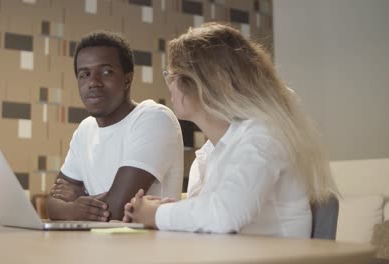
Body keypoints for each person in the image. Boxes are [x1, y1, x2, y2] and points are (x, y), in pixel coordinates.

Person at [123, 22, 339, 237]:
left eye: (172, 75)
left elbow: (224, 215)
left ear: (202, 82)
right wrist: (161, 212)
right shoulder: (213, 149)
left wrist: (158, 214)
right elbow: (215, 216)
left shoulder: (264, 135)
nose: (169, 85)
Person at [47, 31, 184, 221]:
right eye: (84, 74)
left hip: (146, 248)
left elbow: (117, 209)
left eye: (106, 72)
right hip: (94, 246)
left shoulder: (153, 118)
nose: (93, 82)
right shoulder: (85, 130)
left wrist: (77, 201)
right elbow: (51, 204)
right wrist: (71, 210)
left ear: (127, 79)